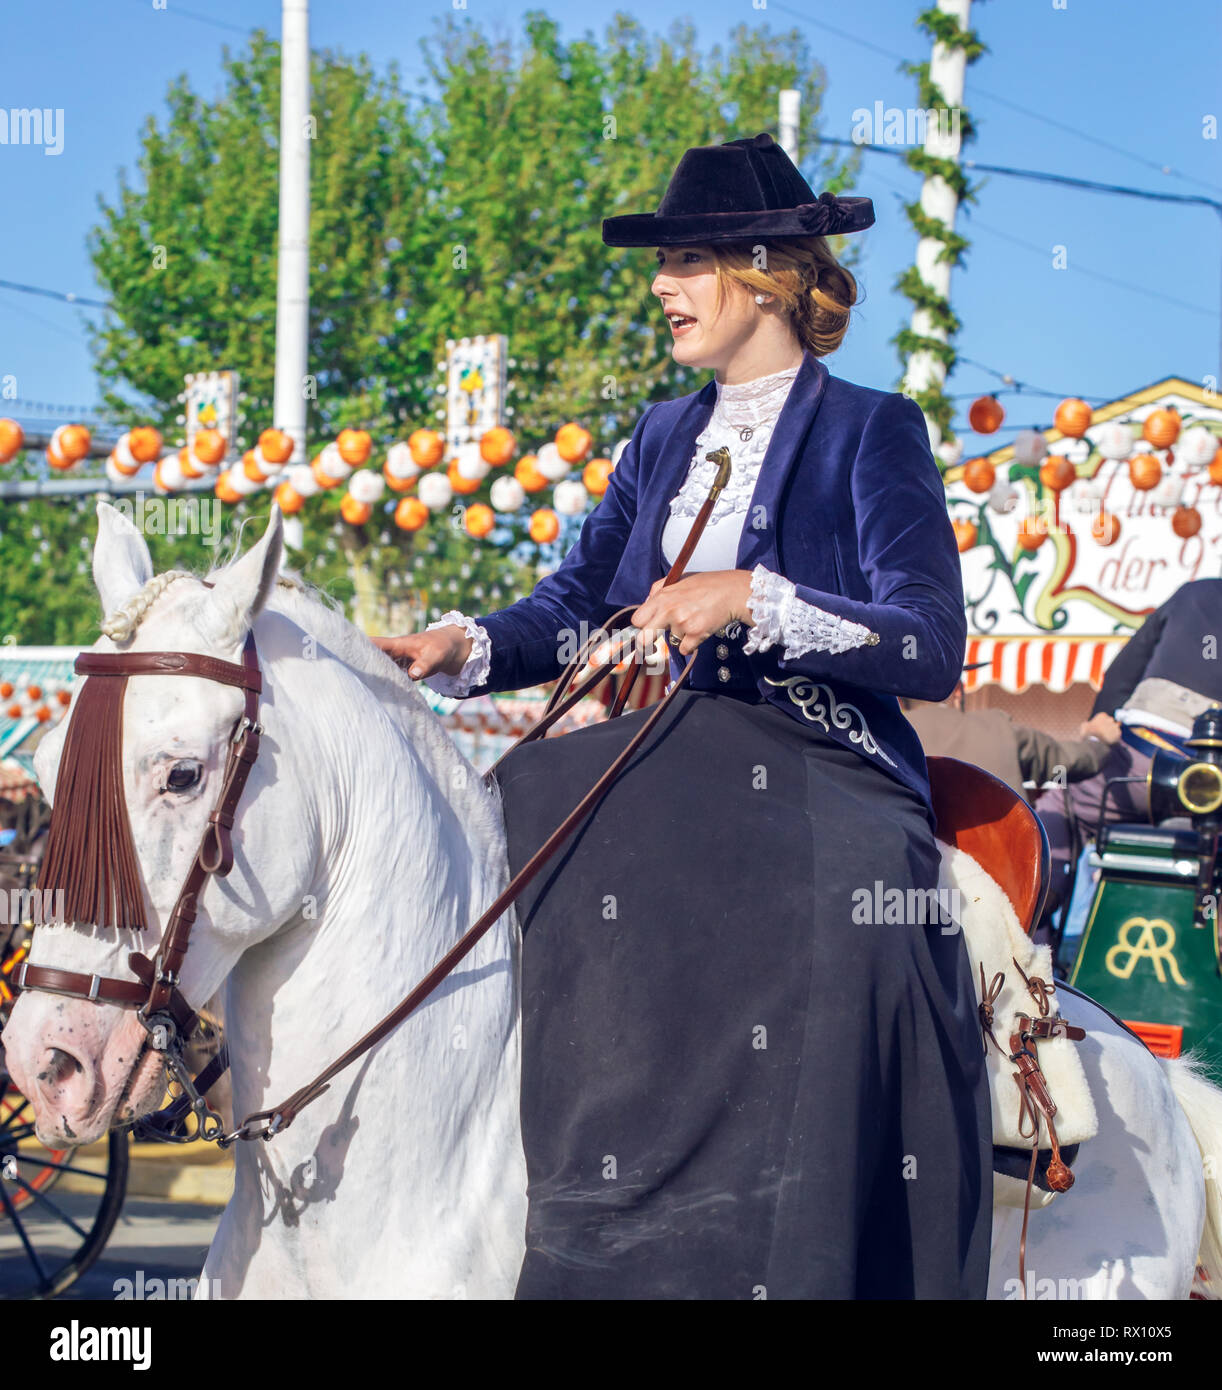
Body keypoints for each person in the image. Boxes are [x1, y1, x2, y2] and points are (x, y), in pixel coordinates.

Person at [375, 132, 989, 1300]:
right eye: (664, 264)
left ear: (766, 273)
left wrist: (753, 598)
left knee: (836, 892)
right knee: (515, 801)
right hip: (668, 754)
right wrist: (465, 644)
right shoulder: (660, 435)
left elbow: (928, 642)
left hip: (826, 763)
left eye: (689, 260)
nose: (662, 286)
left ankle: (803, 1241)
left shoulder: (872, 430)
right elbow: (576, 604)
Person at [1037, 578, 1222, 927]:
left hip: (1139, 761)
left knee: (1058, 807)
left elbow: (1121, 673)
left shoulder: (1194, 593)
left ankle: (1033, 922)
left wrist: (1098, 732)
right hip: (1211, 789)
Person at [901, 677, 1122, 803]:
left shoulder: (880, 739)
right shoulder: (999, 728)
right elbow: (1073, 762)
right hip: (1002, 876)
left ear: (900, 700)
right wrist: (1097, 738)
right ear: (958, 692)